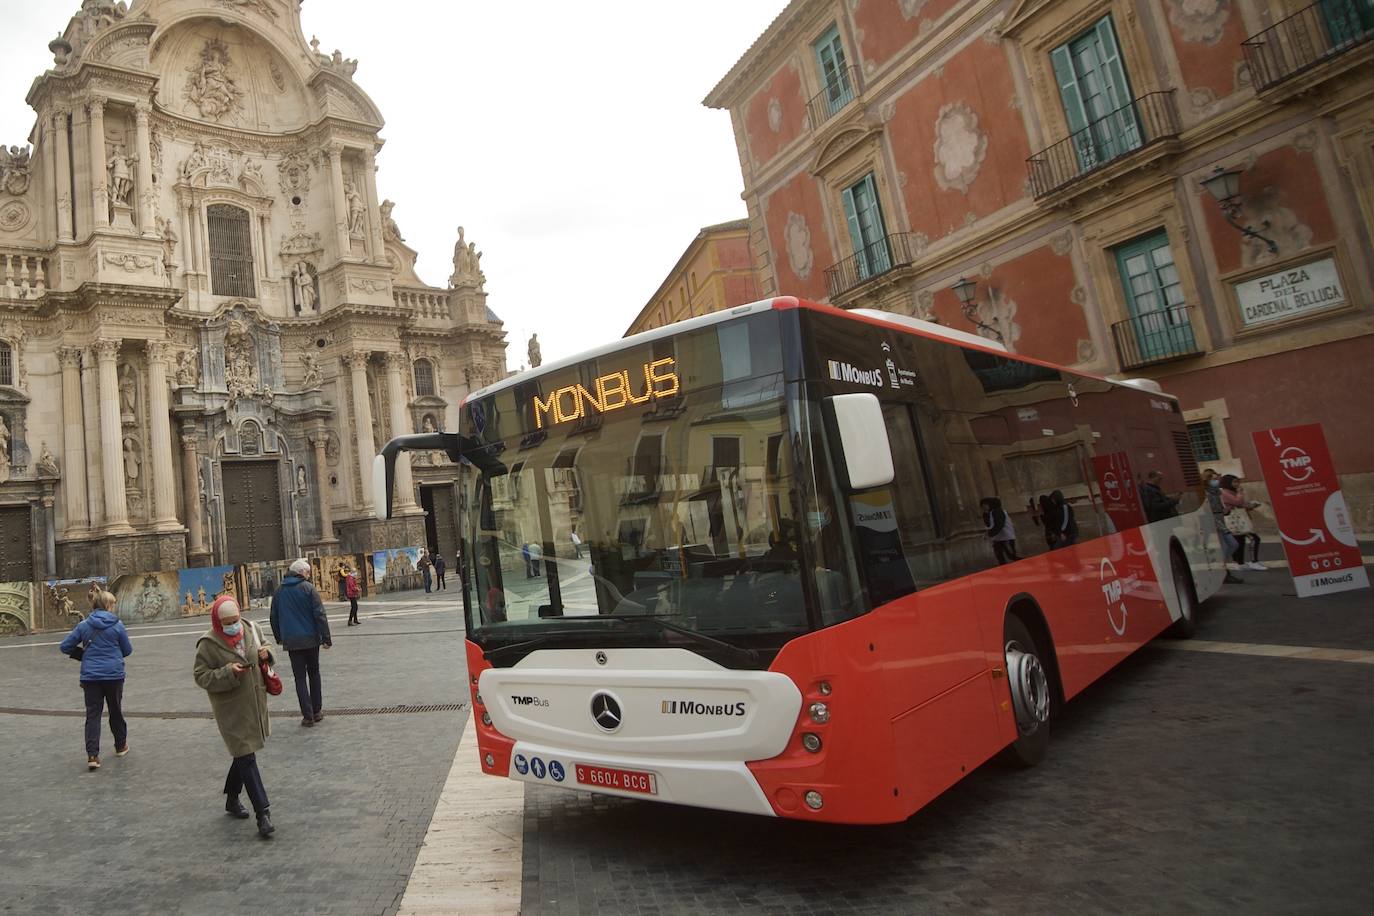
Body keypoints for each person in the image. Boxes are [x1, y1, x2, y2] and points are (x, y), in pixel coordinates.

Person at [194, 596, 276, 838]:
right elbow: (201, 676)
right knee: (246, 756)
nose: (233, 625)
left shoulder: (252, 628)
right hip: (231, 709)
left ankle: (231, 798)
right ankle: (264, 813)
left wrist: (266, 653)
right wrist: (228, 672)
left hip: (254, 704)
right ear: (218, 622)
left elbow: (267, 645)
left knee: (243, 753)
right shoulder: (208, 644)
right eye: (227, 622)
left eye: (235, 620)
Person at [60, 590, 132, 771]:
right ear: (108, 605)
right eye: (113, 604)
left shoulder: (84, 625)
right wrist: (114, 656)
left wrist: (83, 655)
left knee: (93, 714)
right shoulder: (118, 625)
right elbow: (127, 650)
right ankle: (120, 745)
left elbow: (65, 646)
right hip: (114, 675)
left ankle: (92, 755)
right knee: (115, 709)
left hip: (91, 676)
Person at [269, 558, 332, 727]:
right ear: (301, 572)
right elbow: (320, 614)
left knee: (299, 678)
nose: (309, 575)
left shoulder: (279, 591)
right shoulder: (308, 588)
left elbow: (273, 617)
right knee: (314, 673)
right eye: (308, 572)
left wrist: (279, 637)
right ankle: (317, 711)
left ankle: (307, 715)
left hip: (292, 641)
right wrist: (326, 638)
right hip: (311, 639)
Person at [1203, 471, 1244, 584]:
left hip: (1221, 519)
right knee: (1229, 545)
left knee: (1232, 545)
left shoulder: (1217, 492)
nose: (1216, 481)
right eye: (1214, 479)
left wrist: (1224, 510)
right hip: (1215, 522)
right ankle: (1222, 570)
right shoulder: (1206, 494)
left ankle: (1220, 566)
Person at [1220, 474, 1266, 571]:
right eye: (1234, 482)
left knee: (1240, 541)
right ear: (1228, 483)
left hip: (1239, 521)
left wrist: (1251, 506)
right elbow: (1238, 502)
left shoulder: (1232, 492)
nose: (1237, 484)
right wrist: (1240, 492)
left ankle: (1240, 563)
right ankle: (1254, 562)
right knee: (1254, 539)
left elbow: (1240, 505)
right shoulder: (1224, 493)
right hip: (1236, 522)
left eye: (1238, 482)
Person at [980, 497, 1019, 565]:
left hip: (1006, 537)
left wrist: (990, 533)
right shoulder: (991, 513)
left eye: (985, 505)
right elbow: (990, 524)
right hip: (999, 538)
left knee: (1011, 555)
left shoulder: (997, 511)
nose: (984, 507)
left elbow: (999, 525)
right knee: (1000, 555)